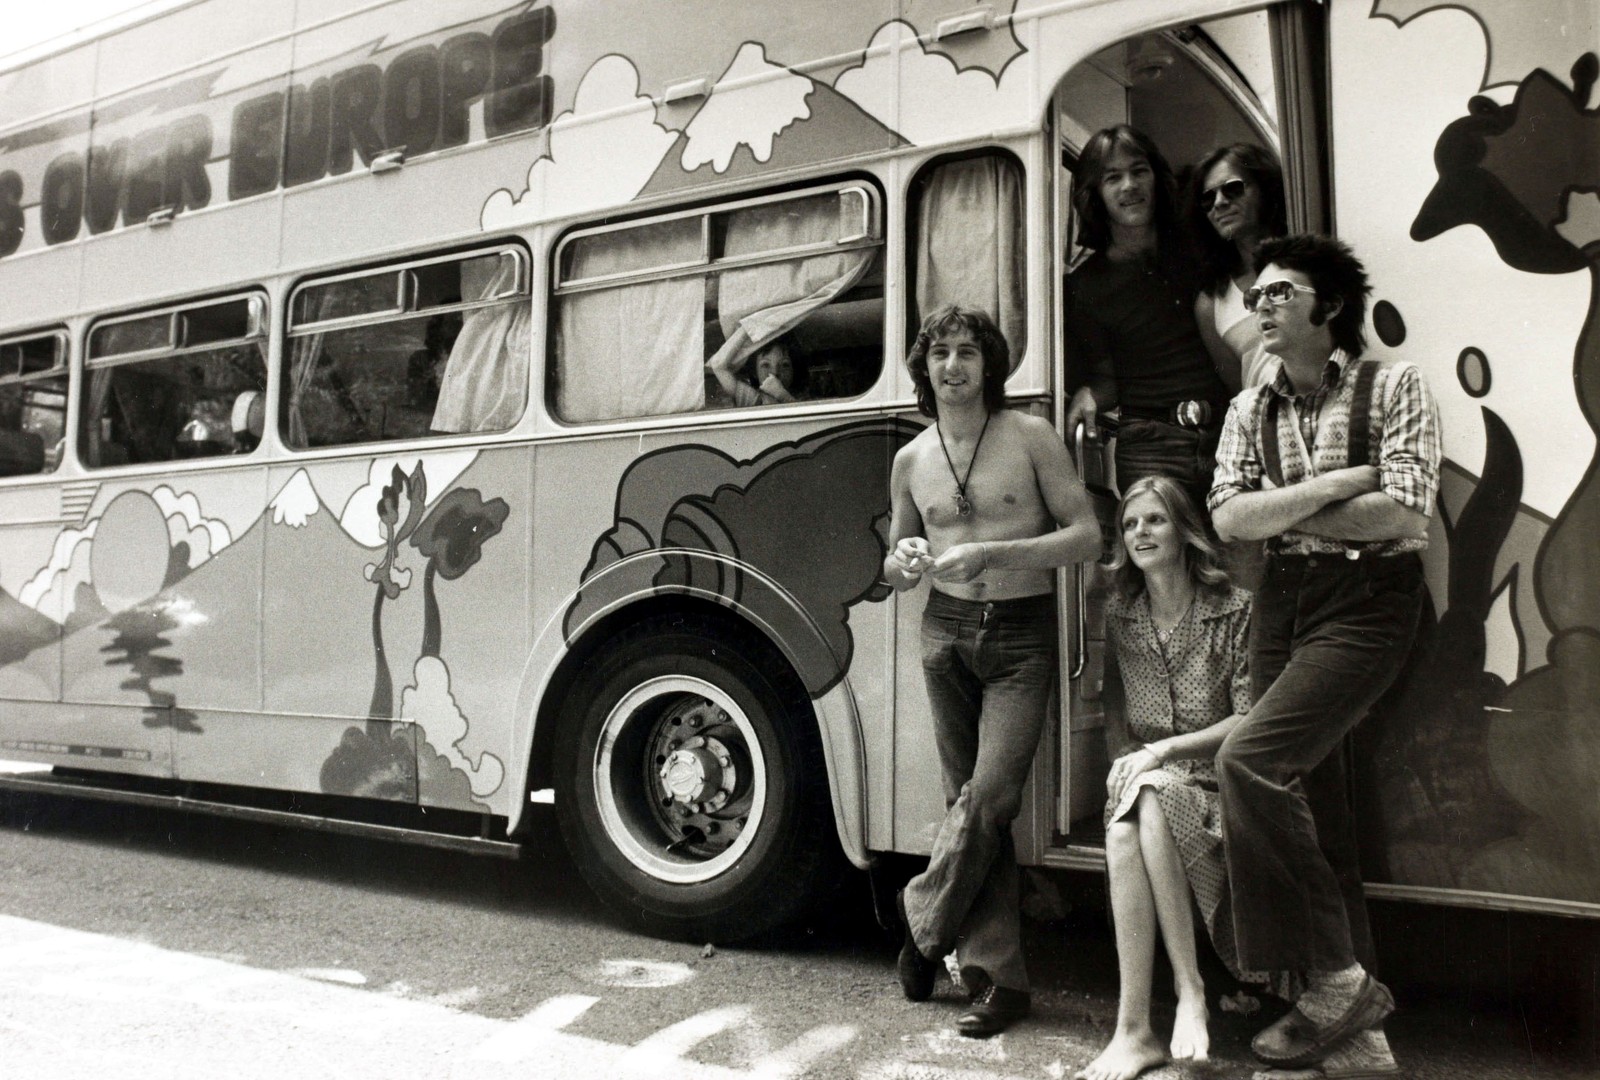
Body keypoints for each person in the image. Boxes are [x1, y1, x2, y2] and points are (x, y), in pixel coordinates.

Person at [1209, 234, 1441, 1077]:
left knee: (1252, 762)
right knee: (1316, 799)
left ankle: (1334, 981)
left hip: (1370, 603)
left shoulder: (1396, 384)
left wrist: (1285, 511)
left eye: (1281, 292)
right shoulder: (1248, 406)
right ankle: (1358, 1032)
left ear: (1328, 307)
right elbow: (1230, 520)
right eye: (1258, 294)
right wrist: (1344, 484)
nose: (1262, 305)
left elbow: (1407, 511)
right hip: (1286, 602)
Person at [885, 304, 1101, 1038]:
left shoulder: (1030, 436)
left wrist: (994, 556)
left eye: (968, 353)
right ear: (924, 368)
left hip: (1020, 633)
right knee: (966, 804)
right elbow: (895, 559)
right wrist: (905, 562)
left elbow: (1086, 537)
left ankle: (921, 932)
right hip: (944, 631)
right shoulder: (911, 459)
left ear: (990, 364)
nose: (953, 366)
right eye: (940, 354)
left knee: (989, 799)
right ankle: (997, 981)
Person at [1077, 475, 1291, 1080]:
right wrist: (1128, 760)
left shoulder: (1234, 609)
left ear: (1184, 530)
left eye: (1155, 520)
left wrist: (1159, 752)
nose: (1141, 533)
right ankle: (1134, 1028)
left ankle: (1186, 989)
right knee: (1127, 821)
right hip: (1153, 783)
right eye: (1130, 524)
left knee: (1146, 794)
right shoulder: (1121, 613)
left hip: (1223, 786)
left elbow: (1251, 719)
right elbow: (1118, 707)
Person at [1064, 125, 1230, 508]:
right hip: (1150, 446)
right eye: (1113, 177)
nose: (1129, 185)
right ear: (1095, 193)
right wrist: (1089, 395)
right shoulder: (1084, 286)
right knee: (1163, 563)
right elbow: (1108, 378)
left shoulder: (1199, 248)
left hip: (1227, 430)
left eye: (1139, 171)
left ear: (1156, 178)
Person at [1190, 143, 1288, 393]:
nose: (1219, 203)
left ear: (1265, 188)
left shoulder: (1303, 261)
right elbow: (1240, 394)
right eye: (1208, 199)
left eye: (1232, 189)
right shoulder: (1211, 303)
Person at [705, 336, 806, 407]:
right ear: (754, 372)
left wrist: (783, 395)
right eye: (765, 365)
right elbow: (718, 366)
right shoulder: (754, 399)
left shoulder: (804, 399)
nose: (775, 373)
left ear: (794, 369)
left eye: (785, 365)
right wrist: (746, 330)